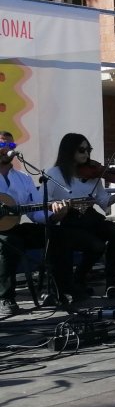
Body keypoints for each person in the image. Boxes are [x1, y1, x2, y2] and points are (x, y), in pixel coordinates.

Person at [42, 133, 115, 302]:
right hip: (69, 220)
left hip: (90, 217)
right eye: (81, 150)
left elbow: (105, 202)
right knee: (96, 245)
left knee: (114, 230)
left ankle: (111, 283)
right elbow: (44, 200)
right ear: (69, 151)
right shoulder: (55, 173)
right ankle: (78, 279)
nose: (86, 154)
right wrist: (56, 210)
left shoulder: (93, 174)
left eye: (88, 150)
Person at [0, 132, 46, 317]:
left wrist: (55, 215)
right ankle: (6, 297)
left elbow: (36, 212)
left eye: (11, 146)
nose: (6, 150)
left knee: (54, 234)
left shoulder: (24, 178)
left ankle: (60, 289)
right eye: (2, 144)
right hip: (6, 235)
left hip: (12, 227)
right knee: (11, 242)